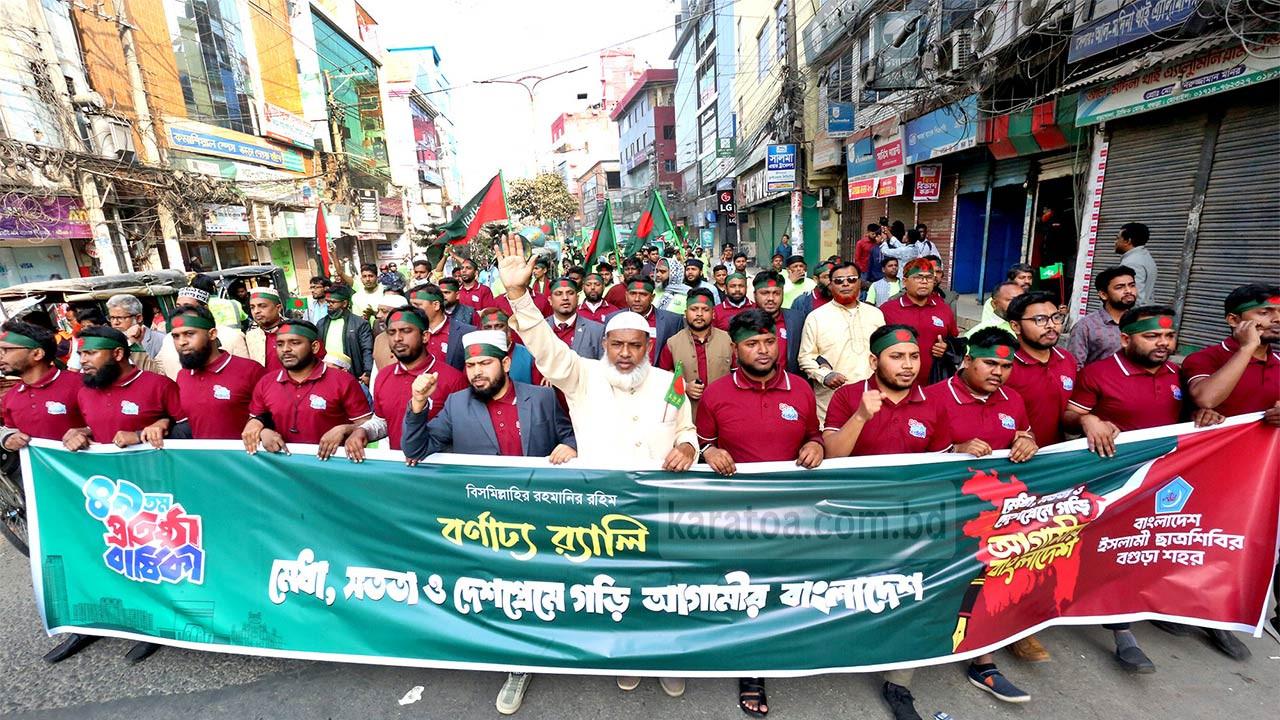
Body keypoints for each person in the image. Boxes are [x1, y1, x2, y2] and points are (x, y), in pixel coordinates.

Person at [398, 327, 577, 715]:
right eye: (471, 365)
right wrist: (417, 403)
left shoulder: (542, 398)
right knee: (505, 592)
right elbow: (415, 449)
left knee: (541, 589)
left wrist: (569, 446)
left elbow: (570, 436)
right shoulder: (456, 405)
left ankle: (553, 647)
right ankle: (517, 663)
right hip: (486, 523)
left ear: (506, 363)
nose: (476, 372)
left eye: (484, 363)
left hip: (540, 518)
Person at [1064, 305, 1236, 668]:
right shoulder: (1099, 373)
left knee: (1157, 547)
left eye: (1169, 336)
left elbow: (1187, 414)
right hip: (1115, 481)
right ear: (1126, 339)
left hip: (1166, 481)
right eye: (1152, 336)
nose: (1163, 343)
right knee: (1114, 553)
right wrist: (1088, 420)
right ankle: (1121, 632)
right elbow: (1069, 415)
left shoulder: (1178, 373)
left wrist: (1203, 415)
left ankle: (1158, 606)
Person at [695, 308, 822, 718]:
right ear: (736, 350)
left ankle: (777, 650)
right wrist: (709, 451)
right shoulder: (717, 394)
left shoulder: (800, 389)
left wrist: (816, 445)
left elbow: (814, 434)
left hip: (792, 513)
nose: (763, 350)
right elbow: (702, 443)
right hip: (735, 515)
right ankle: (750, 666)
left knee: (784, 586)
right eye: (752, 344)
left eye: (769, 341)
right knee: (744, 588)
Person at [818, 323, 949, 720]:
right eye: (897, 357)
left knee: (910, 596)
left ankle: (899, 682)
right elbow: (832, 455)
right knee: (842, 592)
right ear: (875, 361)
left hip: (909, 524)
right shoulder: (847, 396)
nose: (908, 365)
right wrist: (861, 416)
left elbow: (941, 465)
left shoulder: (932, 402)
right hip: (850, 522)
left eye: (913, 357)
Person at [498, 233, 697, 470]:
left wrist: (688, 447)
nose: (625, 353)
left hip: (654, 491)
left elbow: (684, 429)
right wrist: (518, 295)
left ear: (649, 347)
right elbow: (546, 347)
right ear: (604, 345)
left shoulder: (669, 383)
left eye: (635, 345)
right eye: (617, 344)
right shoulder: (583, 375)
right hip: (600, 491)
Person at [924, 327, 1038, 704]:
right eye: (990, 363)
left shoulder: (1013, 400)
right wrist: (954, 450)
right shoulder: (933, 397)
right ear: (967, 360)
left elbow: (1026, 437)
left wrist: (1028, 442)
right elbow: (910, 459)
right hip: (943, 513)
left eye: (1006, 366)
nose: (998, 372)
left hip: (995, 516)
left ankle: (983, 663)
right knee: (934, 588)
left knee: (990, 585)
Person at [0, 320, 100, 663]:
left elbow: (106, 420)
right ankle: (83, 623)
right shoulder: (12, 397)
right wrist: (6, 437)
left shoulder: (77, 385)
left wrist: (85, 430)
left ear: (37, 354)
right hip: (46, 498)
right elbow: (4, 428)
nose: (1, 357)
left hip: (95, 493)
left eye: (7, 350)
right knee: (64, 557)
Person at [340, 306, 468, 455]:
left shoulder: (453, 379)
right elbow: (383, 421)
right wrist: (363, 431)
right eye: (391, 332)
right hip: (397, 466)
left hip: (437, 467)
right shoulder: (384, 376)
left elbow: (463, 434)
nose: (397, 338)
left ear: (425, 336)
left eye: (406, 331)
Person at [242, 320, 372, 458]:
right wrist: (263, 432)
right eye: (280, 344)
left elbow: (368, 425)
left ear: (314, 347)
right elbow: (255, 421)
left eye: (295, 343)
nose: (285, 349)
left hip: (331, 465)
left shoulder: (343, 381)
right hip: (280, 466)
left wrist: (344, 429)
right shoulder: (266, 382)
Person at [797, 261, 885, 422]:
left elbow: (885, 353)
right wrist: (825, 375)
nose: (845, 284)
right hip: (832, 401)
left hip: (872, 398)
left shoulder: (875, 314)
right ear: (831, 285)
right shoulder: (816, 317)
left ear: (860, 282)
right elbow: (805, 357)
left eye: (851, 279)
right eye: (838, 281)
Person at [1182, 284, 1280, 422]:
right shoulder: (1204, 358)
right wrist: (1248, 347)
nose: (1277, 319)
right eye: (1264, 313)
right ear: (1234, 320)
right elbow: (1206, 400)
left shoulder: (1277, 361)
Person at [168, 305, 266, 440]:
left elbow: (276, 412)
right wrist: (162, 423)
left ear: (212, 334)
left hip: (246, 453)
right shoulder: (183, 376)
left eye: (189, 334)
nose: (181, 342)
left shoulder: (250, 370)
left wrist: (261, 424)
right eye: (176, 336)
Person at [1004, 291, 1076, 447]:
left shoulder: (1067, 359)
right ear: (1016, 326)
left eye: (1056, 317)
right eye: (1040, 319)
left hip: (1056, 453)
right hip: (1015, 456)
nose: (1051, 325)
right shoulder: (1002, 366)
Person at [658, 287, 733, 419]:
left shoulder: (728, 341)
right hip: (686, 416)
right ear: (685, 313)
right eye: (694, 309)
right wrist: (684, 387)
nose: (699, 314)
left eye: (705, 310)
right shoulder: (672, 344)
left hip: (723, 412)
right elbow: (661, 379)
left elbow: (740, 376)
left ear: (713, 314)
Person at [880, 259, 957, 386]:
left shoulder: (944, 309)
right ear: (905, 281)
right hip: (897, 385)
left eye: (929, 277)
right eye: (918, 277)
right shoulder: (887, 310)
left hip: (935, 384)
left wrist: (946, 347)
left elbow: (954, 340)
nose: (924, 282)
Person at [1065, 266, 1137, 368]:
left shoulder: (1141, 322)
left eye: (1132, 285)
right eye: (1120, 287)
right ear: (1103, 294)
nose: (1128, 291)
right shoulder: (1086, 326)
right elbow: (1074, 366)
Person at [315, 285, 375, 385]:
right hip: (327, 374)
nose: (329, 305)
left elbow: (367, 349)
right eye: (327, 302)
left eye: (333, 302)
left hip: (353, 374)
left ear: (344, 303)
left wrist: (368, 372)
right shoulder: (321, 323)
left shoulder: (360, 324)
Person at [408, 284, 476, 371]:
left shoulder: (466, 333)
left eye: (417, 305)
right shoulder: (409, 333)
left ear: (436, 305)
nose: (412, 310)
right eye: (411, 305)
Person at [619, 276, 682, 363]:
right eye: (632, 294)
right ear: (626, 296)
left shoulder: (672, 320)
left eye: (643, 294)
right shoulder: (614, 319)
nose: (637, 299)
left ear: (652, 297)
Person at [476, 307, 543, 386]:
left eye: (499, 326)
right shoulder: (475, 358)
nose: (493, 331)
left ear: (508, 329)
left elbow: (540, 390)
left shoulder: (529, 356)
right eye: (488, 327)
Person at [546, 277, 605, 359]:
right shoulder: (540, 328)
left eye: (570, 293)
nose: (565, 298)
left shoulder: (597, 330)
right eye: (559, 294)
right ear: (550, 300)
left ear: (577, 298)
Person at [106, 293, 165, 358]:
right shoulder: (110, 343)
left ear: (139, 318)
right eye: (112, 318)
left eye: (120, 318)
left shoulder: (162, 340)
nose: (115, 322)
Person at [245, 287, 287, 374]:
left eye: (262, 306)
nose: (256, 311)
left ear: (278, 308)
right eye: (252, 307)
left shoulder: (296, 330)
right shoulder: (250, 337)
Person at [1115, 222, 1157, 305]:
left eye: (1118, 239)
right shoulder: (1145, 256)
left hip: (1136, 312)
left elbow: (1134, 297)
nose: (1115, 243)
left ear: (1127, 241)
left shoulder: (1131, 263)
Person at [371, 294, 410, 371]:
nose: (378, 315)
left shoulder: (413, 338)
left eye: (384, 311)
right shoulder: (379, 339)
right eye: (378, 311)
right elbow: (376, 371)